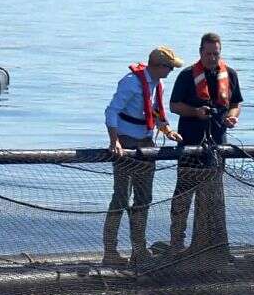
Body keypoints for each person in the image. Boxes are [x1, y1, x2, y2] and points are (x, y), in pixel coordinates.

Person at [102, 46, 183, 266]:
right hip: (126, 143)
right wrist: (114, 141)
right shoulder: (130, 82)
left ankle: (139, 250)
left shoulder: (159, 85)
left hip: (147, 145)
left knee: (143, 199)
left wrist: (167, 131)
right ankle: (110, 252)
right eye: (169, 67)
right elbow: (111, 111)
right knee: (120, 197)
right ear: (157, 66)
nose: (171, 71)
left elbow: (155, 111)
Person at [168, 33, 242, 258]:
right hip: (190, 144)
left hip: (217, 146)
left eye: (215, 54)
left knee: (211, 197)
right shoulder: (186, 75)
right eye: (208, 53)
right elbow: (173, 106)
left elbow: (236, 103)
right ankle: (176, 243)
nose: (211, 58)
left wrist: (232, 116)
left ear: (220, 53)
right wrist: (195, 112)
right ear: (200, 52)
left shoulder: (229, 74)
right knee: (182, 195)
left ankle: (206, 243)